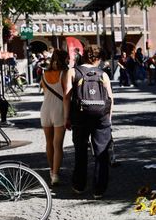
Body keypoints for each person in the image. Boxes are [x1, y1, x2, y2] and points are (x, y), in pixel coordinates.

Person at [64, 45, 114, 199]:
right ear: (98, 59)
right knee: (101, 154)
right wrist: (109, 119)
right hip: (101, 116)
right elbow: (110, 99)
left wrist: (67, 117)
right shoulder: (103, 74)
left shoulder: (73, 72)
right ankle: (99, 190)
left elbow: (66, 97)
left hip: (79, 116)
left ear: (85, 56)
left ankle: (79, 186)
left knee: (80, 152)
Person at [40, 49, 69, 185]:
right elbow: (67, 96)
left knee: (49, 143)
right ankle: (55, 175)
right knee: (58, 144)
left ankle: (52, 170)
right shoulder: (64, 73)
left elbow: (44, 90)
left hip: (45, 109)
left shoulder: (44, 74)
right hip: (59, 109)